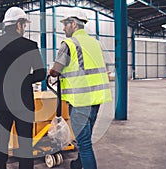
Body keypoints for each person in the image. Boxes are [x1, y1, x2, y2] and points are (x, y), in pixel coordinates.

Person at [0, 7, 46, 169]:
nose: (24, 28)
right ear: (19, 24)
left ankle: (0, 166)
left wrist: (1, 79)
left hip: (1, 103)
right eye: (24, 24)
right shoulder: (30, 45)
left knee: (2, 141)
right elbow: (40, 74)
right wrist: (23, 79)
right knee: (25, 143)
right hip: (24, 103)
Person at [49, 7, 112, 169]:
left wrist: (51, 72)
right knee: (85, 137)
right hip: (96, 98)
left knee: (84, 143)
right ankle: (78, 164)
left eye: (65, 24)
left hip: (80, 100)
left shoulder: (69, 44)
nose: (63, 28)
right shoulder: (95, 43)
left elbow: (56, 70)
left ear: (74, 24)